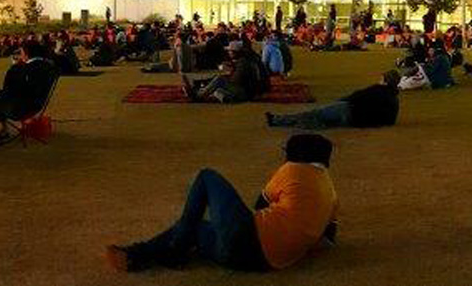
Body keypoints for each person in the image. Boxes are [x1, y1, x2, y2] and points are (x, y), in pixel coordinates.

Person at [106, 134, 339, 273]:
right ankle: (137, 255)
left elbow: (260, 205)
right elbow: (327, 241)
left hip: (249, 238)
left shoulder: (293, 170)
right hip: (259, 263)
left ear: (296, 155)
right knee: (194, 228)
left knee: (206, 176)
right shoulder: (331, 192)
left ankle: (170, 252)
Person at [0, 42, 59, 134]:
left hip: (18, 109)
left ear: (27, 54)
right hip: (36, 107)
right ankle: (3, 128)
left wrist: (15, 67)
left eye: (21, 53)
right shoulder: (49, 67)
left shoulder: (19, 69)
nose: (20, 55)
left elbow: (8, 90)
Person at [265, 75, 400, 130]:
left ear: (385, 81)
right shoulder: (394, 100)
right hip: (355, 121)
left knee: (314, 113)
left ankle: (278, 120)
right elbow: (390, 121)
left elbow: (356, 96)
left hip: (349, 110)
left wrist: (340, 101)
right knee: (322, 118)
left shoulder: (378, 89)